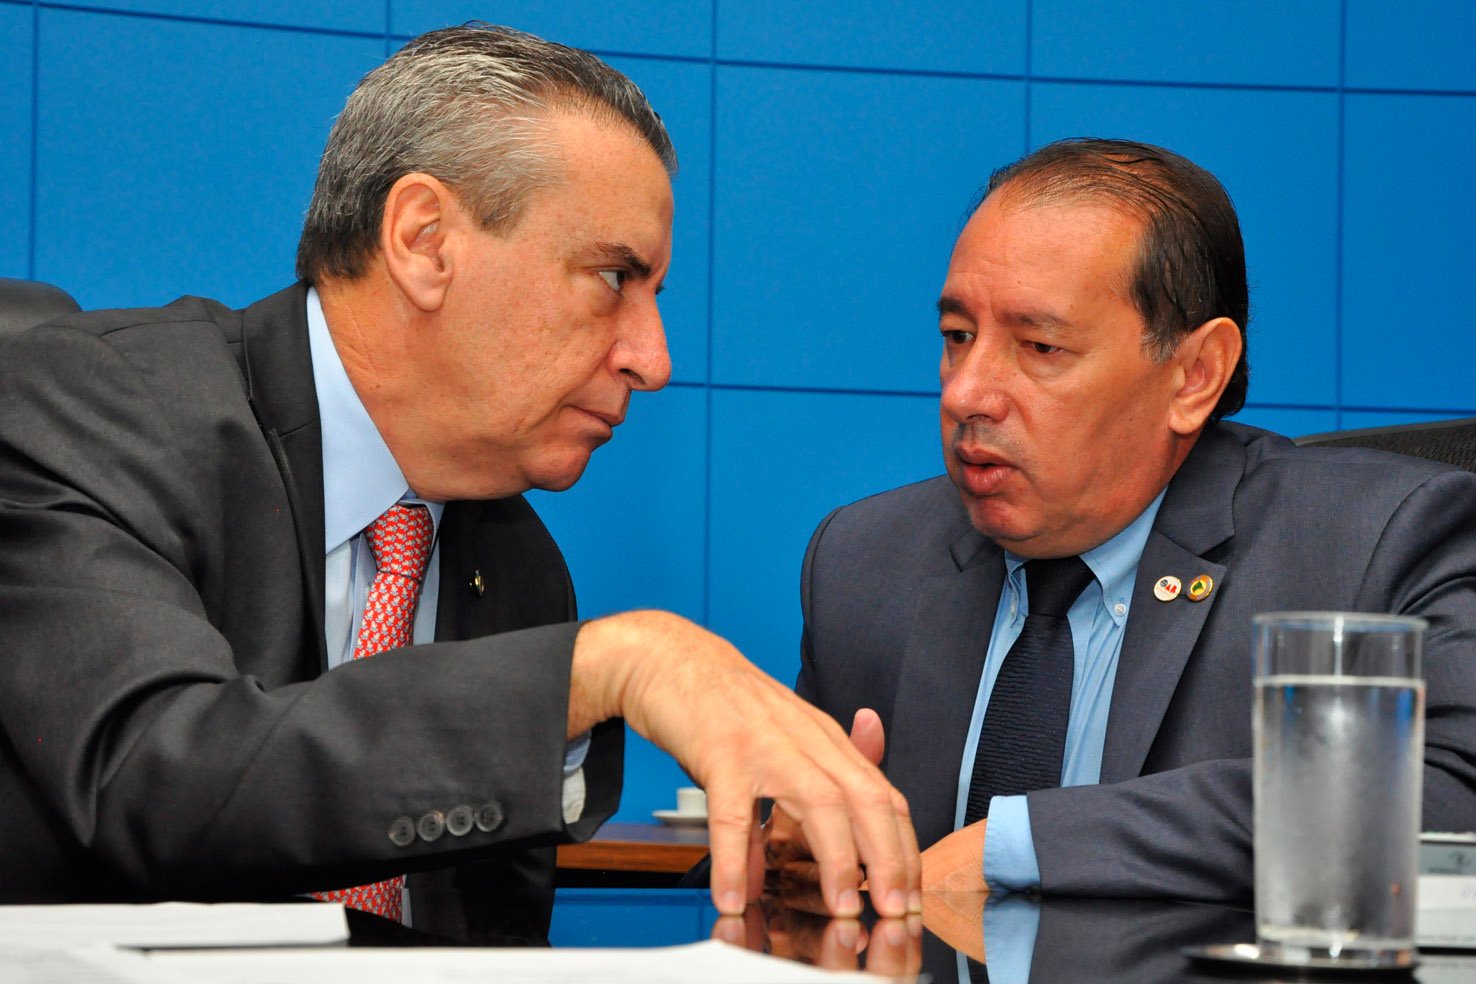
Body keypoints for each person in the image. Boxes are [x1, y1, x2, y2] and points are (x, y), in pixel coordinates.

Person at [0, 24, 919, 941]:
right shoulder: (89, 406)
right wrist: (608, 667)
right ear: (425, 241)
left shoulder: (520, 569)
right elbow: (155, 780)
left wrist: (782, 902)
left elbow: (483, 948)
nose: (654, 359)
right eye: (613, 276)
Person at [767, 137, 1476, 902]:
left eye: (1040, 346)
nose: (966, 393)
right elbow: (800, 866)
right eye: (958, 338)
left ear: (1194, 375)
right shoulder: (864, 563)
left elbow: (1448, 802)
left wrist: (1027, 846)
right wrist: (794, 863)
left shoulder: (1374, 546)